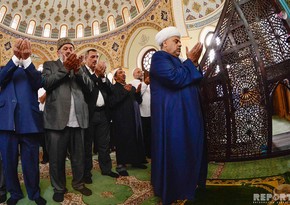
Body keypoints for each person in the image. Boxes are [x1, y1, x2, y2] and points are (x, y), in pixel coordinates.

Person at [150, 26, 208, 204]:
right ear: (164, 43)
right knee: (178, 150)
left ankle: (191, 182)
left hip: (187, 115)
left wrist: (193, 63)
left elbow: (195, 79)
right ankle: (177, 187)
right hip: (174, 118)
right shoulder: (159, 58)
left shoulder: (180, 60)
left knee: (191, 147)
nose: (180, 44)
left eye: (180, 41)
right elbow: (174, 79)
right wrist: (190, 62)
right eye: (176, 41)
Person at [42, 37, 93, 202]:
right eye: (65, 48)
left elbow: (90, 88)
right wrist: (65, 68)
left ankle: (78, 183)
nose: (69, 50)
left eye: (71, 48)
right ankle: (59, 187)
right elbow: (47, 83)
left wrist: (77, 70)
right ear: (58, 52)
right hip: (57, 120)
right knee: (56, 158)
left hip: (77, 119)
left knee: (79, 156)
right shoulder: (50, 65)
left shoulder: (80, 68)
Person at [0, 38, 46, 205]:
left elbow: (38, 83)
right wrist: (15, 59)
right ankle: (14, 193)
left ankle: (34, 193)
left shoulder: (32, 70)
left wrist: (26, 59)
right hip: (6, 123)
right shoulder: (4, 69)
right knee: (9, 162)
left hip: (29, 122)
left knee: (31, 162)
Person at [81, 49, 119, 183]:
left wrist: (102, 77)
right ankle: (86, 173)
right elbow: (87, 88)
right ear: (85, 59)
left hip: (103, 114)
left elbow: (111, 90)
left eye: (97, 57)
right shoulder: (82, 72)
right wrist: (97, 76)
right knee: (87, 145)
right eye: (92, 57)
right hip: (89, 115)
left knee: (104, 144)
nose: (95, 59)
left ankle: (106, 169)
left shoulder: (101, 74)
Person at [109, 68, 147, 176]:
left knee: (134, 139)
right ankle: (121, 165)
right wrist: (125, 92)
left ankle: (135, 161)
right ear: (115, 77)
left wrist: (138, 93)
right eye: (120, 73)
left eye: (124, 72)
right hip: (121, 120)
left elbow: (138, 101)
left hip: (133, 118)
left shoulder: (131, 87)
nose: (123, 74)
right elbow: (112, 103)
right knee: (122, 142)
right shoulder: (113, 88)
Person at [130, 68, 151, 158]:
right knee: (143, 135)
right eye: (138, 72)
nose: (141, 73)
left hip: (150, 112)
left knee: (150, 134)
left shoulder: (146, 84)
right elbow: (137, 95)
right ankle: (143, 153)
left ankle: (149, 151)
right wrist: (145, 84)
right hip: (140, 113)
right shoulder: (132, 83)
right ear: (133, 74)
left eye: (141, 72)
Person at [37, 65, 49, 164]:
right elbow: (41, 100)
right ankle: (45, 157)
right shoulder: (38, 88)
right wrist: (49, 91)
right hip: (41, 115)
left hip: (51, 114)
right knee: (43, 138)